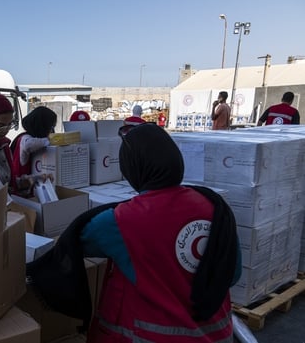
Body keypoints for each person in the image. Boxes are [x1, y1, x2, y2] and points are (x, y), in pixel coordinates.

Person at [27, 123, 241, 342]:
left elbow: (76, 243)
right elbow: (233, 275)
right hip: (218, 335)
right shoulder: (215, 206)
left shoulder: (122, 220)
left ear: (133, 168)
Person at [10, 106, 57, 190]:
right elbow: (29, 144)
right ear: (42, 125)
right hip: (20, 189)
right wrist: (52, 139)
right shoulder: (26, 138)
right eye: (51, 127)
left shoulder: (25, 137)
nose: (52, 131)